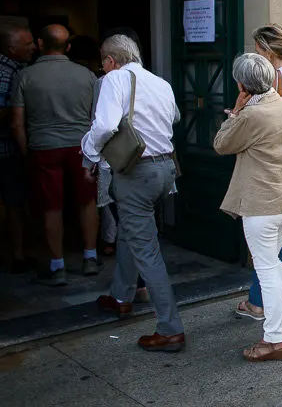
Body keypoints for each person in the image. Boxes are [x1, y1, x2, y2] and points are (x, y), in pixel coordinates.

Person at [213, 53, 282, 361]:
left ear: (241, 84)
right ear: (271, 78)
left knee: (266, 270)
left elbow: (221, 144)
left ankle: (273, 339)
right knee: (274, 262)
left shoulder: (251, 115)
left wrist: (235, 112)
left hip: (262, 204)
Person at [85, 35, 185, 352]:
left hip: (136, 171)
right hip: (164, 169)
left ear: (111, 60)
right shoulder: (159, 82)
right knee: (133, 230)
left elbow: (104, 126)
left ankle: (170, 329)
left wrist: (88, 153)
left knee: (147, 250)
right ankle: (120, 296)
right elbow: (175, 118)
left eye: (102, 61)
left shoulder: (114, 79)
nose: (102, 67)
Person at [234, 24, 282, 331]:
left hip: (275, 175)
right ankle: (259, 301)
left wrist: (237, 117)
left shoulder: (276, 81)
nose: (256, 56)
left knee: (281, 248)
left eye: (257, 50)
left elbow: (267, 124)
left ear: (267, 52)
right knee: (273, 247)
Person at [11, 24, 99, 285]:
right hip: (81, 146)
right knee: (87, 202)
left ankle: (57, 264)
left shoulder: (26, 76)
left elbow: (16, 122)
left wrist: (27, 151)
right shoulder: (86, 76)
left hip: (44, 146)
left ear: (40, 44)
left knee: (51, 206)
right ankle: (90, 257)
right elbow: (98, 117)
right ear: (68, 47)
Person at [0, 24, 36, 273]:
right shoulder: (5, 72)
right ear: (12, 49)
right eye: (27, 44)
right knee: (13, 201)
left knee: (14, 201)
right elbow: (6, 114)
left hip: (9, 147)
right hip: (5, 149)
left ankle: (17, 254)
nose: (34, 47)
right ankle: (17, 255)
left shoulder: (18, 69)